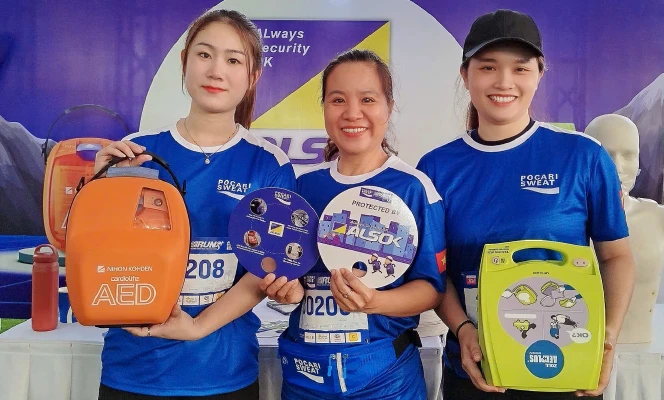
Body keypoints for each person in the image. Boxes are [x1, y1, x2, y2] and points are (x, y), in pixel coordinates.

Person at [416, 9, 635, 400]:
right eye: (488, 67)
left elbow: (616, 256)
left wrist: (606, 340)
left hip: (568, 368)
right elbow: (435, 271)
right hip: (477, 370)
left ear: (539, 74)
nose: (504, 82)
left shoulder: (583, 157)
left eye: (520, 68)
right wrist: (463, 330)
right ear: (466, 75)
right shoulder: (436, 168)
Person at [93, 9, 295, 399]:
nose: (216, 71)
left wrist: (198, 327)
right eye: (204, 54)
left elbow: (263, 270)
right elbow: (97, 255)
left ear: (252, 76)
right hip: (134, 369)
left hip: (224, 372)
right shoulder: (137, 152)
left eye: (233, 60)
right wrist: (99, 188)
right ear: (185, 62)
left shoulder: (270, 164)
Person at [261, 49, 447, 399]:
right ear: (324, 109)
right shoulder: (302, 187)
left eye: (367, 99)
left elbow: (431, 289)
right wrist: (287, 290)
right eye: (338, 100)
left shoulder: (413, 188)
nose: (352, 112)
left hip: (385, 380)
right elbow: (284, 270)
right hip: (305, 376)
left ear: (388, 107)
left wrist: (375, 302)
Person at [585, 114, 664, 344]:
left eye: (628, 155)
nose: (617, 167)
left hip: (642, 352)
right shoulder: (561, 224)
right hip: (578, 354)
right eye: (606, 155)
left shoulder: (657, 218)